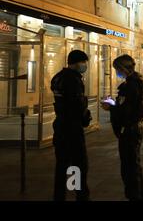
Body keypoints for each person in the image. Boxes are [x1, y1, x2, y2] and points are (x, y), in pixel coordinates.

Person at [101, 55, 143, 201]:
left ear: (123, 68)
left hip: (130, 131)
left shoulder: (131, 86)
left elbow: (126, 111)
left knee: (129, 169)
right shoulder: (136, 82)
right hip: (135, 128)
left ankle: (135, 197)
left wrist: (111, 107)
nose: (116, 72)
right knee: (134, 165)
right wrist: (115, 104)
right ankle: (140, 196)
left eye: (117, 69)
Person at [51, 50, 92, 201]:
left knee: (62, 164)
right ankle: (79, 196)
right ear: (75, 63)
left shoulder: (58, 78)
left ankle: (60, 196)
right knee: (78, 164)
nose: (85, 65)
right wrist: (85, 117)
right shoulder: (73, 80)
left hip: (60, 126)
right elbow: (77, 105)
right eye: (83, 62)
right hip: (72, 128)